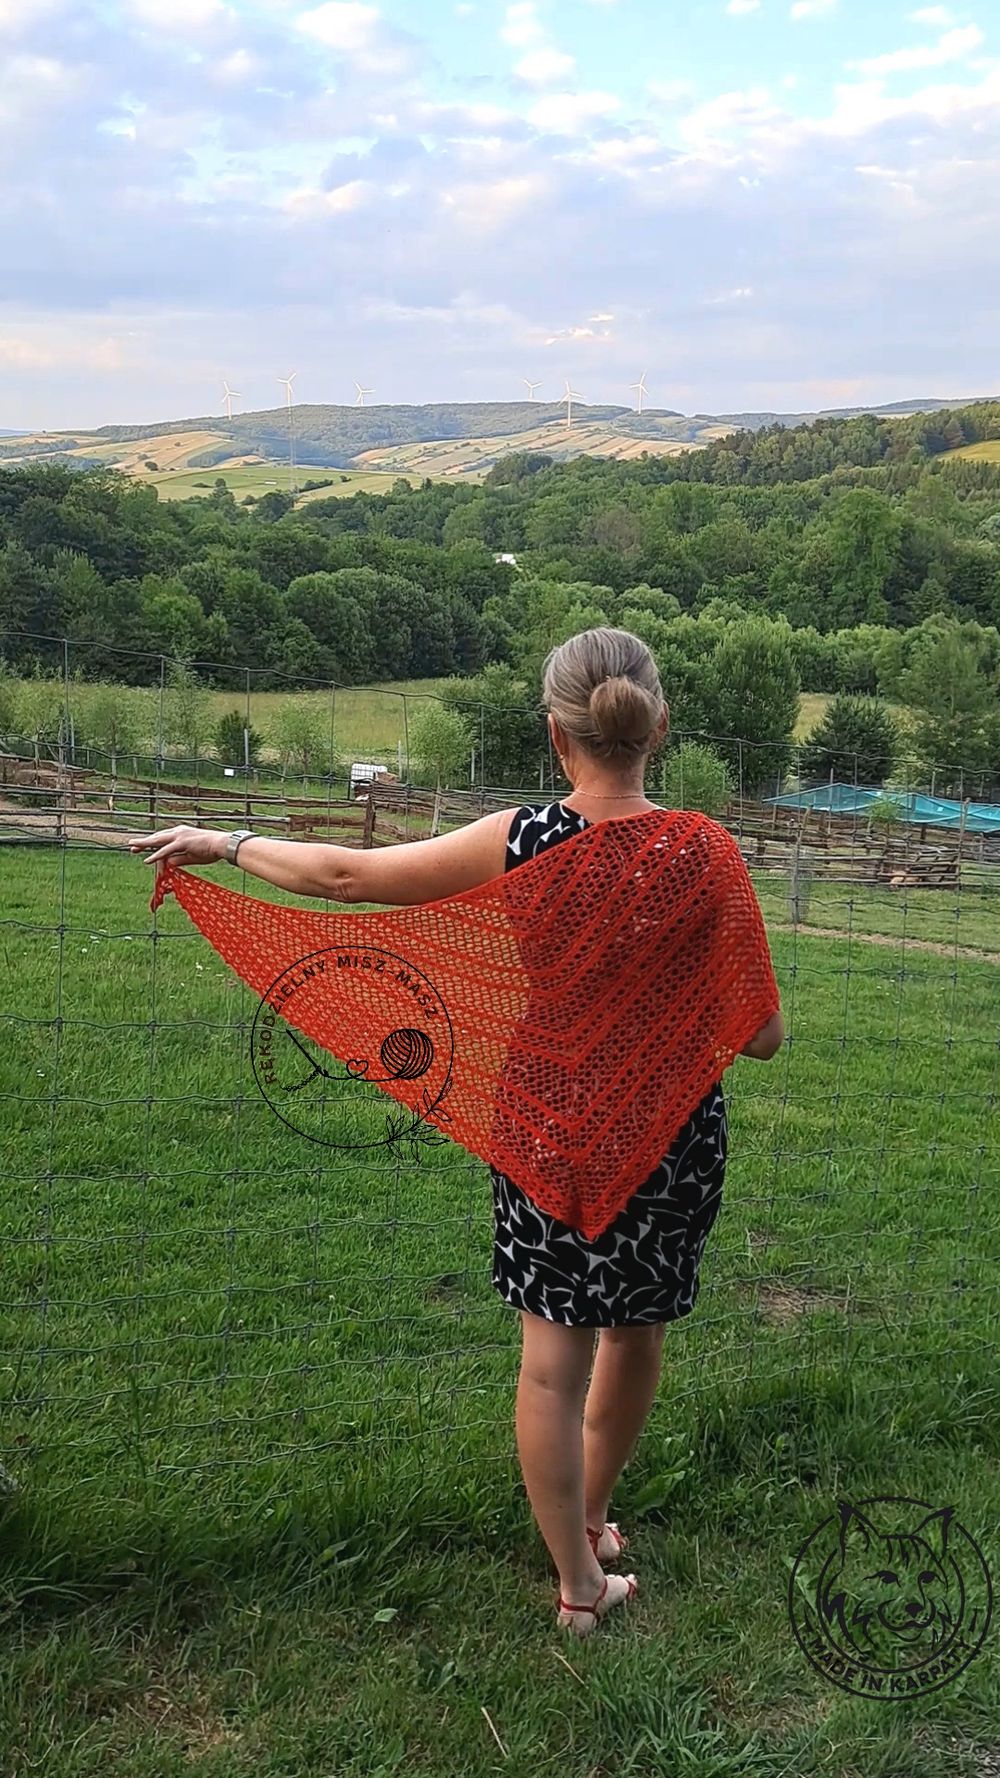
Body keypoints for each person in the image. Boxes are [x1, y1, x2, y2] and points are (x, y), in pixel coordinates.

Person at [131, 626, 783, 1638]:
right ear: (657, 725)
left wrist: (226, 844)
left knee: (550, 1365)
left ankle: (577, 1578)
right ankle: (593, 1519)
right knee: (636, 1332)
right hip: (669, 1134)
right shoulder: (705, 852)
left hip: (545, 1117)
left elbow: (347, 877)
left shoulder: (519, 837)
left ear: (557, 734)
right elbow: (764, 1035)